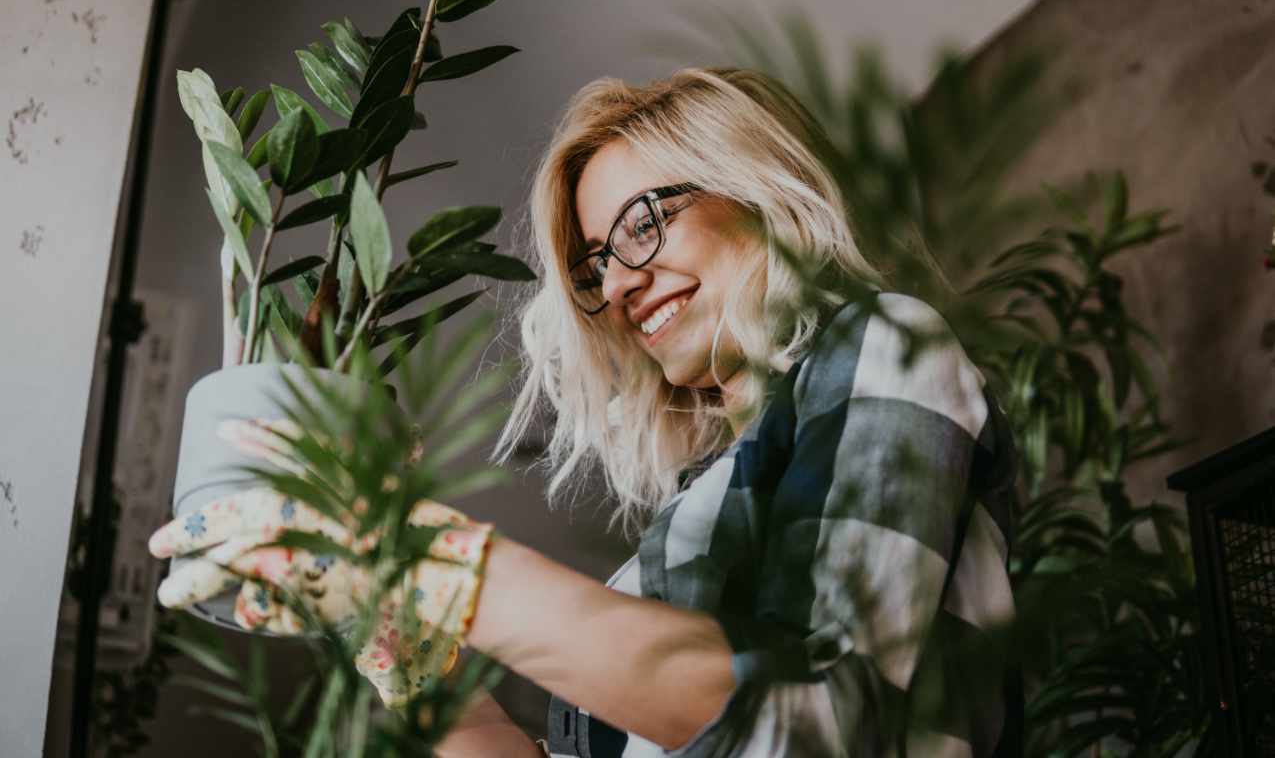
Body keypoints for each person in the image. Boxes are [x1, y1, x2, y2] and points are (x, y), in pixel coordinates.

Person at [150, 67, 1021, 757]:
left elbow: (818, 726)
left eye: (643, 224)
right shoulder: (692, 511)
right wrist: (394, 632)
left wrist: (425, 560)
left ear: (760, 193)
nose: (617, 283)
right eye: (595, 263)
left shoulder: (883, 343)